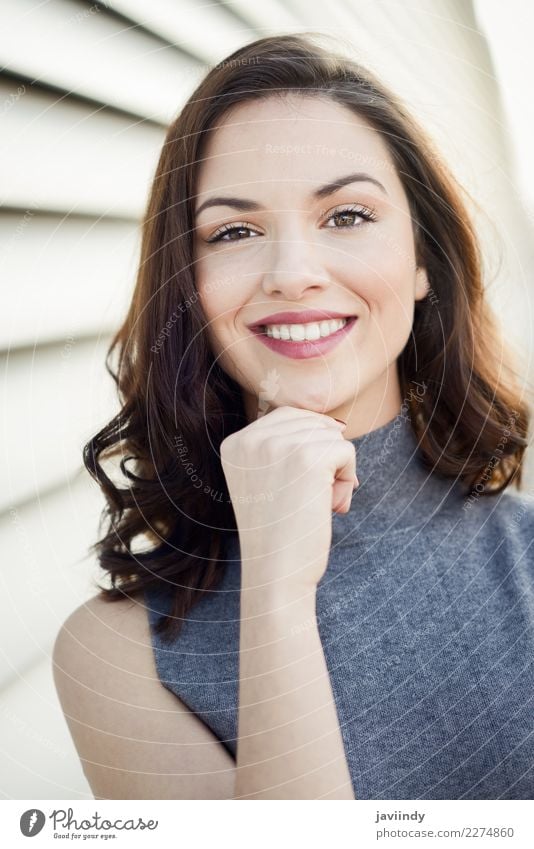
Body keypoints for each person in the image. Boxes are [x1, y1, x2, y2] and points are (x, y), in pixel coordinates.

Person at [52, 33, 534, 800]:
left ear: (420, 261)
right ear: (189, 283)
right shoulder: (114, 656)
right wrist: (276, 589)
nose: (293, 275)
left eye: (347, 215)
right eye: (234, 232)